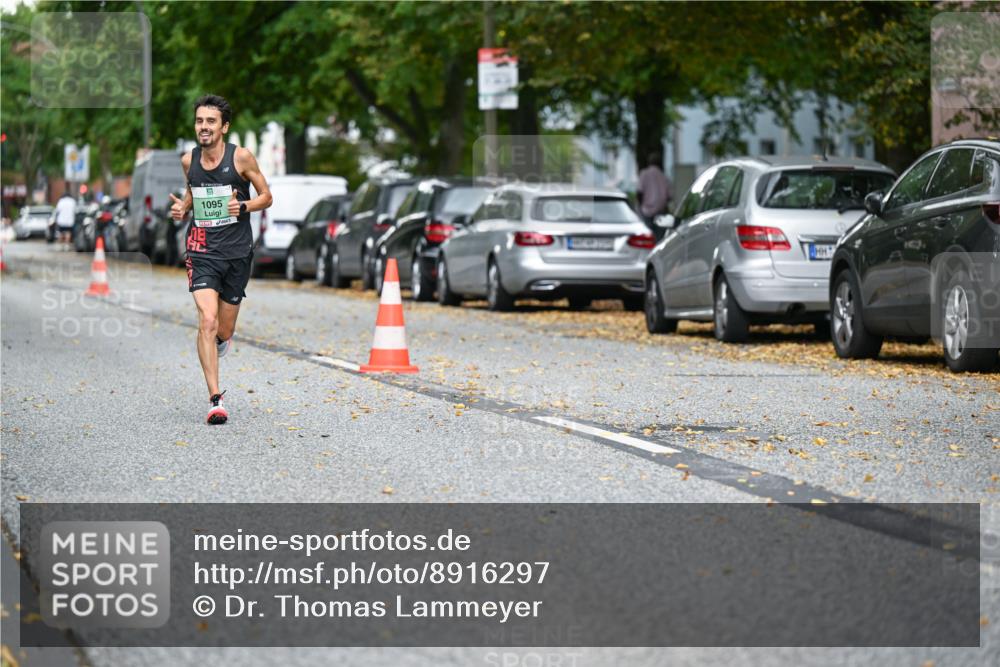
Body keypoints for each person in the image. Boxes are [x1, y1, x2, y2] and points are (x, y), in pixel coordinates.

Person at [169, 95, 272, 425]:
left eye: (211, 122)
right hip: (202, 252)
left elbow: (267, 196)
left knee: (223, 329)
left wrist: (243, 206)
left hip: (237, 253)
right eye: (200, 121)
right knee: (207, 319)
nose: (204, 127)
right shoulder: (189, 161)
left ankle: (220, 341)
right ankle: (216, 399)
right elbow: (193, 191)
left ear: (224, 127)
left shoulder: (241, 158)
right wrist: (182, 208)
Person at [637, 151, 672, 229]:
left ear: (649, 162)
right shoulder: (664, 177)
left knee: (648, 235)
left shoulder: (644, 174)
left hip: (646, 211)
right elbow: (669, 197)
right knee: (660, 237)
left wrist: (640, 206)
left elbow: (639, 192)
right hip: (661, 211)